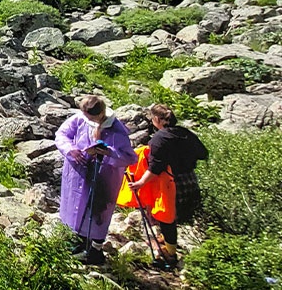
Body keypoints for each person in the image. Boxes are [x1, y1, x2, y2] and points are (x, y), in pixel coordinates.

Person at [55, 95, 136, 264]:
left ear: (99, 114)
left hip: (104, 177)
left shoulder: (116, 129)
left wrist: (109, 153)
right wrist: (71, 150)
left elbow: (129, 157)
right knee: (74, 206)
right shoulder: (80, 119)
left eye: (89, 116)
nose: (86, 118)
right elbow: (62, 135)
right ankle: (76, 242)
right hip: (78, 172)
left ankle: (95, 250)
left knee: (98, 210)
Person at [127, 103, 209, 266]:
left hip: (170, 182)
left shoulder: (159, 139)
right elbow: (203, 153)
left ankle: (170, 254)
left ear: (157, 119)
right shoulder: (185, 133)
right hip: (189, 178)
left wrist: (140, 183)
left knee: (166, 216)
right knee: (176, 214)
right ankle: (166, 241)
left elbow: (155, 167)